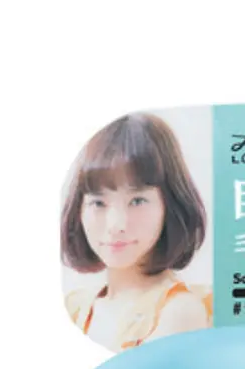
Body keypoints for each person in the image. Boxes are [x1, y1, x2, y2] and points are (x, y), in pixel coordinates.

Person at [61, 112, 212, 352]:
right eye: (98, 203)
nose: (116, 224)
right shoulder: (75, 307)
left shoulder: (177, 313)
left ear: (170, 205)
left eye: (137, 201)